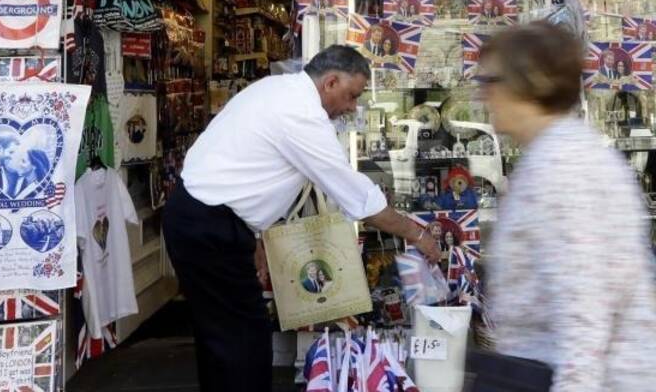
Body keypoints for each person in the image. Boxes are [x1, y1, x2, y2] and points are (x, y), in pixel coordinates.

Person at [163, 45, 441, 392]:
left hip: (205, 217)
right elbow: (357, 197)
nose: (352, 107)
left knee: (223, 334)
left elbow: (246, 169)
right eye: (351, 96)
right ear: (331, 82)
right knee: (242, 336)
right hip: (207, 224)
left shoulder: (277, 90)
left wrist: (255, 235)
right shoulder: (300, 113)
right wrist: (417, 234)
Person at [476, 21, 656, 390]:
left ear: (528, 82)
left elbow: (584, 311)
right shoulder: (554, 155)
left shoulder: (563, 167)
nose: (482, 97)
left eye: (489, 82)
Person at [0, 133, 50, 199]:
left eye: (23, 161)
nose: (16, 162)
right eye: (11, 152)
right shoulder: (19, 181)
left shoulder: (38, 187)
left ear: (34, 166)